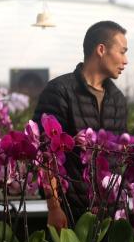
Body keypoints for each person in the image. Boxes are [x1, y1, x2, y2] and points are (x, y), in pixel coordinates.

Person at [33, 20, 128, 231]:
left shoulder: (117, 99)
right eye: (122, 52)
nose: (126, 60)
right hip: (70, 213)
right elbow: (44, 153)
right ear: (101, 50)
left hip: (109, 213)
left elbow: (119, 155)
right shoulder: (60, 91)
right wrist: (54, 206)